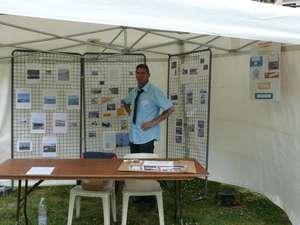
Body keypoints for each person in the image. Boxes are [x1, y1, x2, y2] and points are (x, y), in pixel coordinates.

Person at [122, 64, 175, 154]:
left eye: (143, 73)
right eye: (138, 73)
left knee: (145, 166)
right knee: (134, 166)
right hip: (133, 136)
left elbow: (171, 109)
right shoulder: (135, 91)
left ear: (148, 75)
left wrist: (152, 123)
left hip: (147, 138)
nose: (140, 76)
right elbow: (125, 102)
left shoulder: (154, 92)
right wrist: (131, 114)